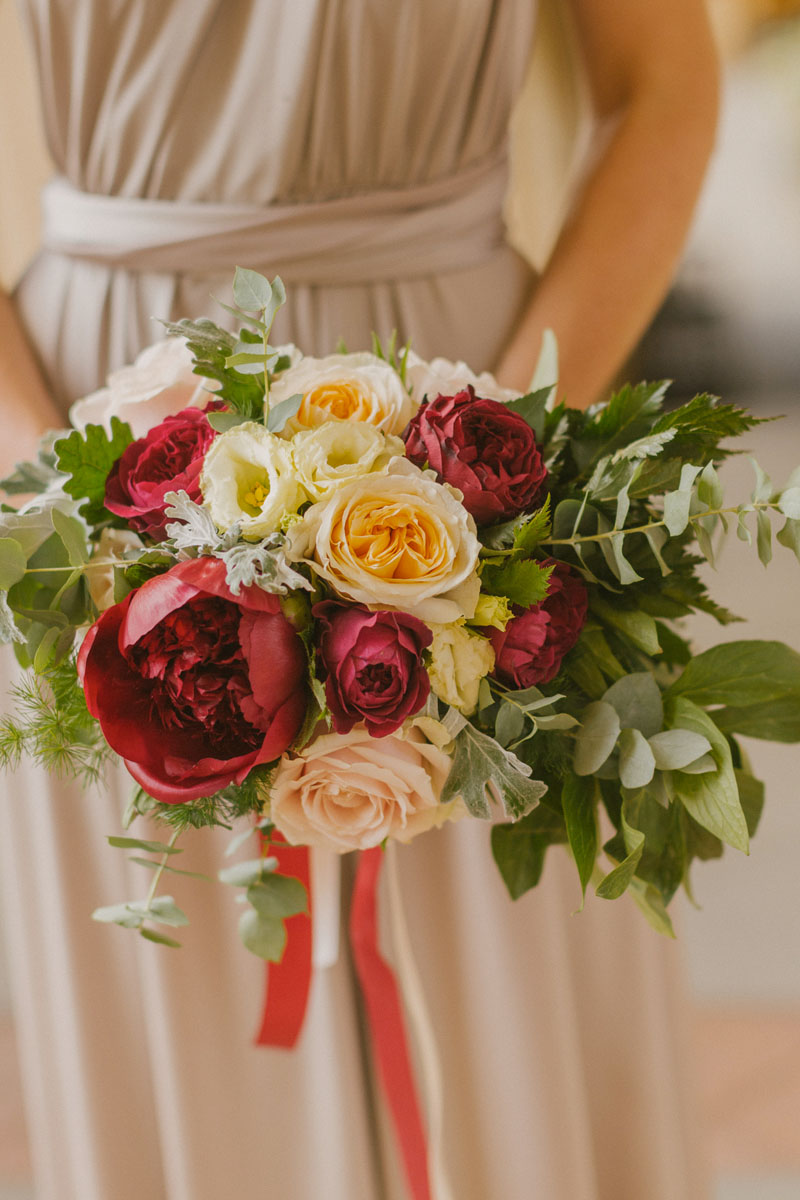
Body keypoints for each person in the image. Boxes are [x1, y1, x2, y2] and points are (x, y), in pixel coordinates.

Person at [0, 2, 718, 1197]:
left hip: (467, 403)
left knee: (503, 1005)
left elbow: (658, 86)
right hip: (103, 438)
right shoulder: (69, 497)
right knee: (183, 973)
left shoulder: (492, 466)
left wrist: (504, 477)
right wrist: (48, 501)